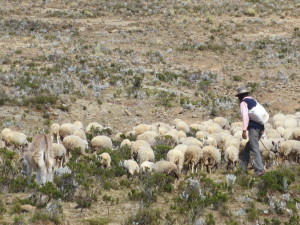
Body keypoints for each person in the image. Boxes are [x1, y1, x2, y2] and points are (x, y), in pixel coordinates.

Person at [236, 86, 265, 176]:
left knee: (254, 148)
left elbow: (245, 116)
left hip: (253, 128)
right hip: (260, 127)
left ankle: (259, 170)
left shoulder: (244, 103)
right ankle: (242, 169)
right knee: (247, 148)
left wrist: (244, 130)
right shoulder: (253, 101)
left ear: (240, 96)